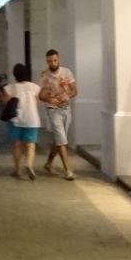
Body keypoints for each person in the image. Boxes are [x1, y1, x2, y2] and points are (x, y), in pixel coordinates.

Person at [38, 49, 77, 180]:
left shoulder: (67, 72)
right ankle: (67, 170)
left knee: (59, 139)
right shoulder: (44, 75)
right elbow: (41, 96)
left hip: (66, 109)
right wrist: (50, 99)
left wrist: (68, 96)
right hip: (53, 110)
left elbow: (74, 90)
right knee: (61, 140)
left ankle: (48, 163)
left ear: (58, 59)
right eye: (50, 61)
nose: (53, 63)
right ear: (47, 61)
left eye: (55, 60)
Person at [4, 64, 43, 180]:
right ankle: (29, 164)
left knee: (16, 145)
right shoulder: (35, 87)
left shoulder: (11, 88)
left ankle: (17, 170)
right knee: (30, 145)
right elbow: (37, 102)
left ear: (15, 74)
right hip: (32, 119)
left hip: (16, 120)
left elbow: (6, 103)